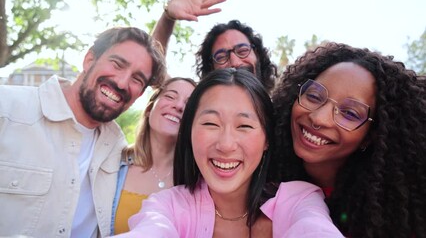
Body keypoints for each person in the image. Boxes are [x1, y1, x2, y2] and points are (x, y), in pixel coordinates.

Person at [110, 68, 343, 237]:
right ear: (189, 132)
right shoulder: (167, 206)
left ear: (266, 140)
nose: (226, 144)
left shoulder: (299, 201)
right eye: (211, 123)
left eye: (244, 126)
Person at [0, 27, 166, 237]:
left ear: (140, 95)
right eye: (117, 64)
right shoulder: (6, 109)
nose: (123, 83)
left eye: (137, 79)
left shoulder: (118, 149)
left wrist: (169, 18)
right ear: (89, 60)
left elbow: (169, 94)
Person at [271, 42, 426, 237]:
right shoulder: (256, 173)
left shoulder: (391, 217)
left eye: (350, 113)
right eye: (314, 96)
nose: (319, 118)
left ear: (370, 136)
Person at [110, 77, 196, 234]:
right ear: (149, 109)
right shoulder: (111, 164)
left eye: (189, 104)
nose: (178, 106)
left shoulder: (197, 181)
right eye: (170, 96)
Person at [152, 0, 278, 93]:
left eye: (243, 50)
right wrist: (168, 16)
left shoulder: (282, 118)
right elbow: (155, 73)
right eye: (221, 56)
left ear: (257, 55)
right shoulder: (196, 107)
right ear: (211, 68)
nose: (234, 62)